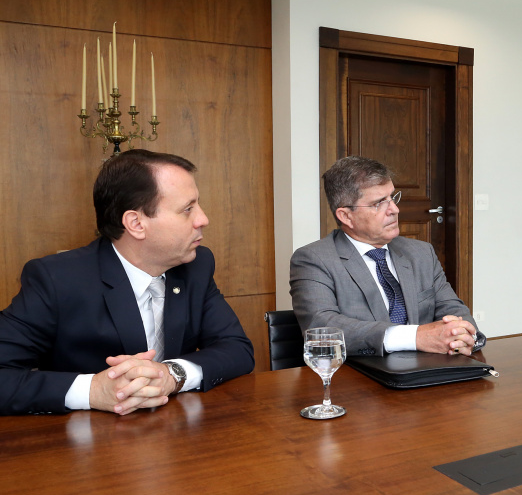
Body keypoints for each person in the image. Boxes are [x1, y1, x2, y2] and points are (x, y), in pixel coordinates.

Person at [0, 150, 254, 415]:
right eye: (187, 209)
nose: (203, 219)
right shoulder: (56, 279)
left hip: (176, 436)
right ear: (136, 223)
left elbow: (237, 349)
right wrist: (92, 390)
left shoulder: (196, 265)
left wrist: (171, 374)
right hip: (83, 444)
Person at [290, 156, 484, 357]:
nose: (394, 209)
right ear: (346, 216)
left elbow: (452, 308)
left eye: (392, 197)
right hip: (358, 378)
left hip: (426, 372)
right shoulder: (314, 259)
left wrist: (463, 336)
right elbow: (323, 327)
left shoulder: (421, 253)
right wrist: (415, 336)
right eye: (378, 203)